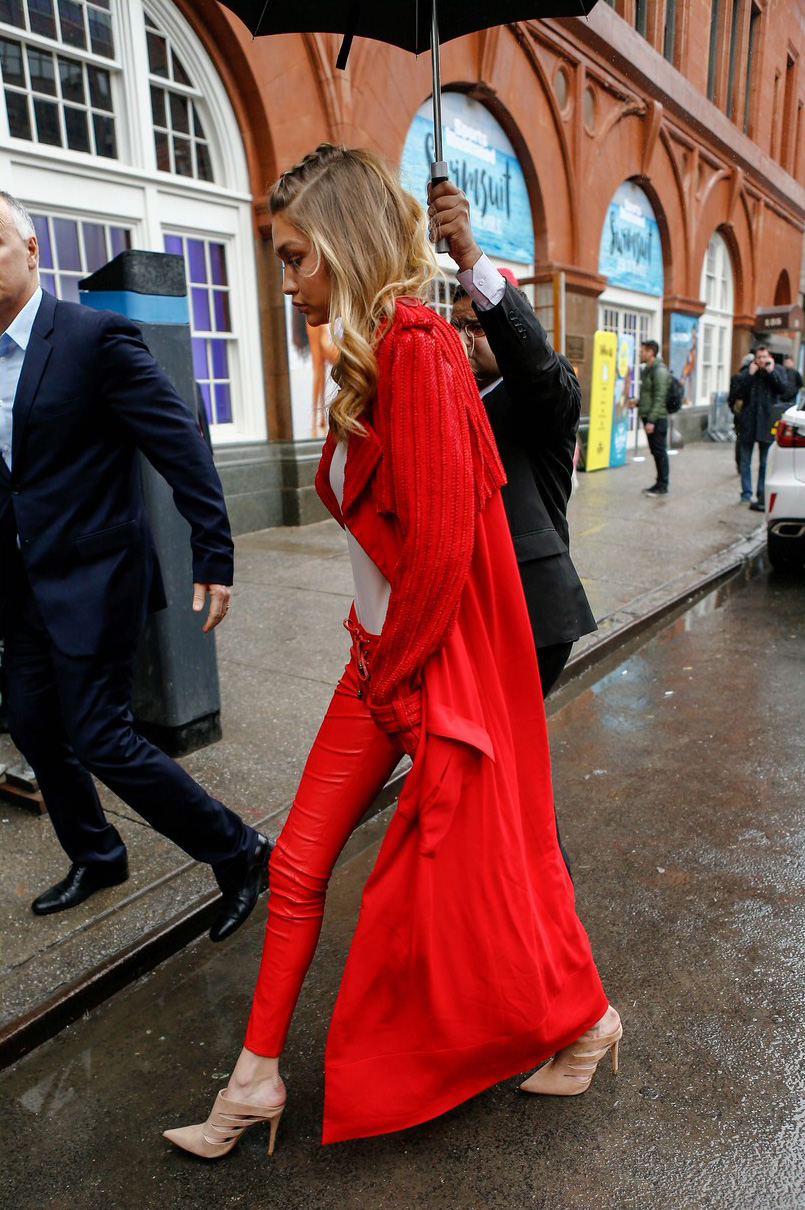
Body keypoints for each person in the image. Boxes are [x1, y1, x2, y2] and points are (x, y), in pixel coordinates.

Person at [163, 145, 620, 1159]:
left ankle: (583, 1019)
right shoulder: (371, 351)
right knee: (295, 866)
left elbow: (445, 547)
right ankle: (252, 1086)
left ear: (341, 241)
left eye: (294, 258)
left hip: (417, 668)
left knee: (493, 872)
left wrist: (401, 681)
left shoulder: (420, 344)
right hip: (375, 661)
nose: (286, 281)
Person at [0, 191, 269, 939]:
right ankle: (98, 852)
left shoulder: (94, 338)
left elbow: (179, 445)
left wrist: (213, 552)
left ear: (31, 252)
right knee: (30, 722)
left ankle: (239, 850)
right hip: (22, 583)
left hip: (96, 577)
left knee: (103, 737)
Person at [427, 180, 596, 701]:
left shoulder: (548, 392)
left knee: (504, 751)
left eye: (476, 327)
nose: (464, 339)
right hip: (468, 602)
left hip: (528, 610)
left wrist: (470, 258)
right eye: (457, 326)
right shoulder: (459, 395)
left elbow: (533, 361)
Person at [727, 345, 790, 510]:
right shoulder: (748, 373)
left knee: (765, 462)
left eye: (764, 357)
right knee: (745, 461)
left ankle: (761, 493)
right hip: (747, 423)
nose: (761, 360)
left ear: (769, 358)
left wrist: (771, 372)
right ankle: (746, 493)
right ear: (754, 358)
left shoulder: (777, 371)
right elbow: (737, 393)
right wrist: (750, 374)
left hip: (766, 423)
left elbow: (784, 390)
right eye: (759, 357)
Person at [632, 340, 670, 496]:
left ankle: (663, 485)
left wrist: (652, 420)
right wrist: (638, 403)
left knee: (660, 452)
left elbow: (660, 397)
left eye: (643, 351)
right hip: (650, 416)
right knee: (656, 452)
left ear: (651, 352)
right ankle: (659, 483)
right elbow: (649, 396)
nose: (640, 354)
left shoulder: (659, 371)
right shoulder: (648, 370)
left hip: (657, 419)